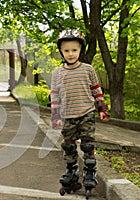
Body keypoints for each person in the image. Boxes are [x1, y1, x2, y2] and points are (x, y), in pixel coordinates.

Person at [50, 29, 110, 197]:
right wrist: (55, 116)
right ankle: (72, 173)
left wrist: (102, 109)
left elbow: (96, 90)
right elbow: (54, 95)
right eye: (66, 50)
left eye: (74, 50)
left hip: (86, 113)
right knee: (68, 146)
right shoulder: (57, 73)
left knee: (87, 146)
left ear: (80, 50)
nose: (70, 54)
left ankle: (90, 173)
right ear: (61, 51)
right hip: (67, 116)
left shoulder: (88, 69)